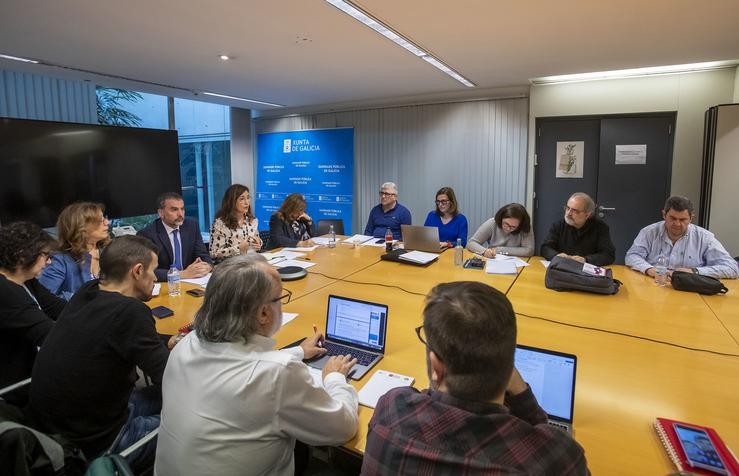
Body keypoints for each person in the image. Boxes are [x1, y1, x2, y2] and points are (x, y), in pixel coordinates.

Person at [155, 254, 359, 476]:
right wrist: (334, 377)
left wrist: (299, 351)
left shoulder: (186, 344)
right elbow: (343, 428)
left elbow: (238, 363)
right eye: (280, 298)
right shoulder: (277, 373)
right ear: (263, 313)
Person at [361, 281, 589, 474]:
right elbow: (548, 444)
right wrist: (522, 396)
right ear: (510, 362)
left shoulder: (390, 410)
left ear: (436, 367)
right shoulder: (558, 459)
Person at [27, 236, 171, 472]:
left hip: (54, 428)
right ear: (137, 271)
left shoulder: (89, 291)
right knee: (195, 421)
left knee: (156, 396)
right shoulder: (131, 311)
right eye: (153, 271)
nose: (155, 278)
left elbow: (120, 337)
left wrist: (168, 340)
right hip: (96, 443)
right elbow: (169, 376)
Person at [0, 222, 65, 406]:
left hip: (40, 370)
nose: (49, 262)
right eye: (46, 255)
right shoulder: (5, 291)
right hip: (22, 390)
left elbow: (59, 308)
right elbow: (49, 335)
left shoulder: (25, 280)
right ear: (22, 256)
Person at [625, 196, 738, 279]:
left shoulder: (704, 237)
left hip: (690, 292)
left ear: (691, 218)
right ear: (664, 215)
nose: (677, 224)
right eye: (673, 218)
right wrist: (649, 269)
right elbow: (632, 256)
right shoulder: (649, 232)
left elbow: (732, 268)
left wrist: (695, 271)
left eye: (683, 220)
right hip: (654, 286)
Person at [38, 201, 110, 299]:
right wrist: (83, 299)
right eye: (100, 220)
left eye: (105, 218)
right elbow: (44, 299)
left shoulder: (110, 251)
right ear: (81, 227)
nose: (107, 223)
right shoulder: (59, 260)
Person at [138, 192, 212, 282]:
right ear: (161, 213)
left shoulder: (191, 226)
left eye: (182, 209)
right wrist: (181, 274)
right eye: (174, 210)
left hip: (191, 281)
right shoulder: (147, 234)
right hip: (166, 284)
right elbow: (147, 271)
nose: (180, 214)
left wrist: (207, 266)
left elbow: (203, 255)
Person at [540, 192, 615, 266]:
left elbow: (608, 255)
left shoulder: (600, 227)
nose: (568, 213)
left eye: (575, 211)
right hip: (562, 268)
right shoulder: (558, 225)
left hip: (586, 273)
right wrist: (556, 256)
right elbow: (545, 248)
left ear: (587, 215)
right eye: (567, 208)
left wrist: (586, 260)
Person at [209, 184, 262, 262]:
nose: (247, 202)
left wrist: (259, 243)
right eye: (242, 199)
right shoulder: (220, 224)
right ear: (232, 201)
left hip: (252, 260)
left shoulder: (252, 220)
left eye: (248, 198)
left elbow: (257, 240)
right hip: (232, 265)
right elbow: (214, 253)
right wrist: (238, 248)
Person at [467, 203, 535, 257]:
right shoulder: (492, 223)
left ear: (520, 225)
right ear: (501, 218)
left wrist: (499, 250)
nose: (508, 229)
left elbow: (529, 250)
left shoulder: (525, 227)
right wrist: (484, 251)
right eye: (506, 224)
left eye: (513, 227)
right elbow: (471, 243)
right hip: (493, 260)